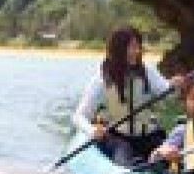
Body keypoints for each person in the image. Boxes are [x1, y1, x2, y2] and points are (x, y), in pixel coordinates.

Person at [72, 26, 185, 165]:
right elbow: (79, 116)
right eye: (132, 47)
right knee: (123, 156)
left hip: (149, 135)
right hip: (119, 139)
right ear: (119, 49)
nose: (137, 52)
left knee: (172, 158)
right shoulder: (102, 81)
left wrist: (174, 87)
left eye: (138, 47)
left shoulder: (147, 72)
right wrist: (92, 130)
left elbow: (167, 94)